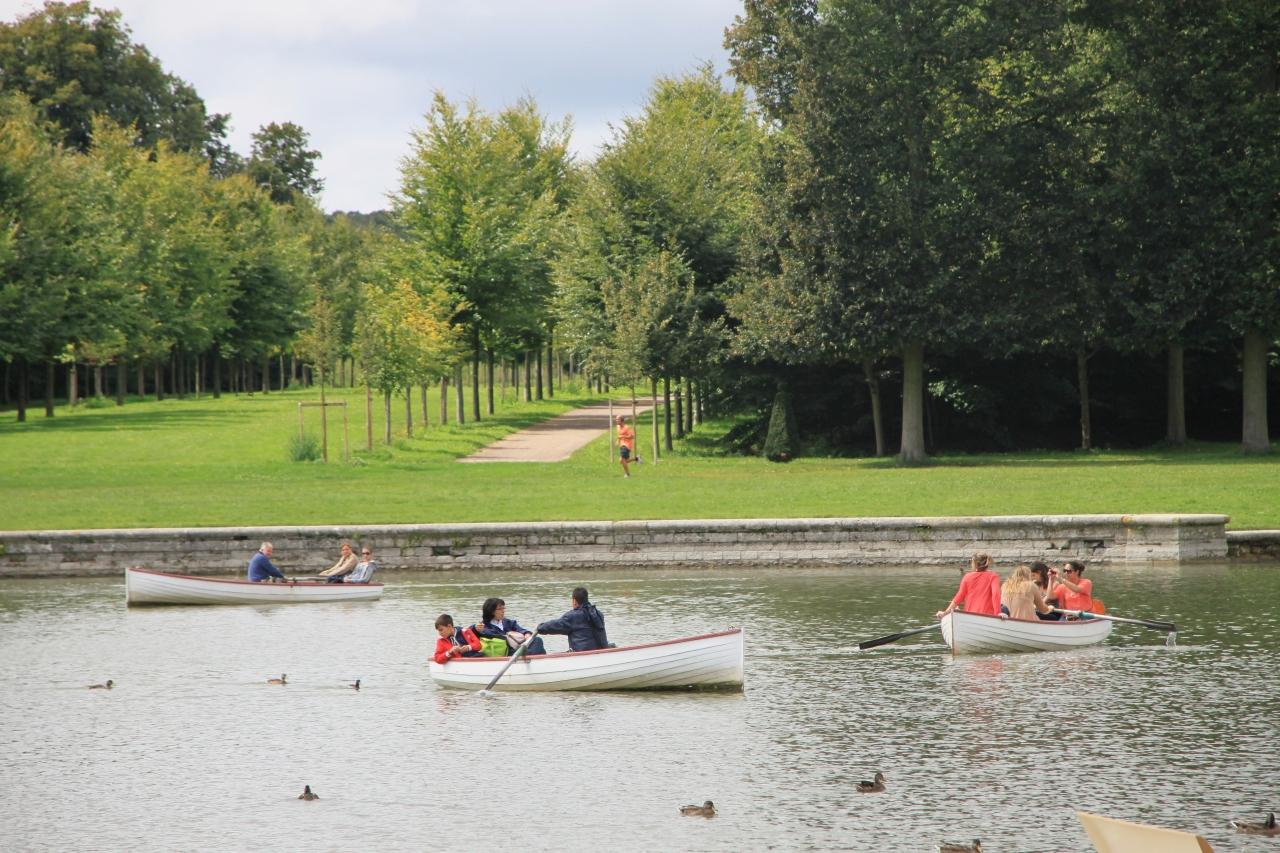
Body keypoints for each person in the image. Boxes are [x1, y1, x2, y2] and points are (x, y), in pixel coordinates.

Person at [536, 586, 609, 651]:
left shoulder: (573, 616)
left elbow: (555, 625)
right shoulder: (598, 614)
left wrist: (540, 627)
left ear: (574, 601)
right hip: (602, 652)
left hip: (582, 655)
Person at [936, 553, 1002, 618]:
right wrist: (998, 613)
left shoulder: (967, 577)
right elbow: (996, 594)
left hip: (969, 615)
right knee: (1004, 608)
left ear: (974, 564)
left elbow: (959, 597)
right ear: (987, 564)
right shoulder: (993, 576)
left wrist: (945, 613)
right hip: (988, 615)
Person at [475, 597, 546, 655]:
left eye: (503, 608)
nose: (503, 611)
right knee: (538, 650)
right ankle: (533, 658)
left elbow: (520, 629)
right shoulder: (483, 626)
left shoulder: (508, 622)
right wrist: (476, 628)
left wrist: (526, 633)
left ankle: (531, 657)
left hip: (518, 646)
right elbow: (492, 635)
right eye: (500, 609)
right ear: (491, 611)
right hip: (506, 651)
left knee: (537, 640)